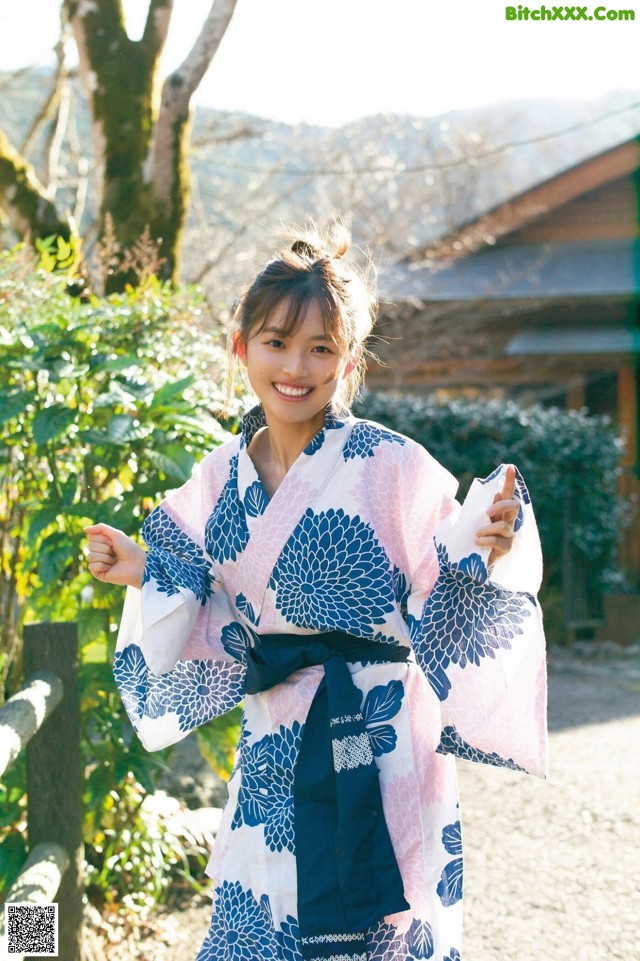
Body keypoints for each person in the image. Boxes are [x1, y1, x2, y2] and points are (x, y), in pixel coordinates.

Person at [85, 224, 547, 961]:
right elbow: (211, 608)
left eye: (322, 348)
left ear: (351, 362)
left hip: (383, 741)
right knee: (262, 927)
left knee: (381, 932)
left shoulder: (395, 465)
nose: (295, 366)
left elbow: (443, 574)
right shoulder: (215, 479)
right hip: (275, 744)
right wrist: (144, 568)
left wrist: (488, 541)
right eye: (276, 341)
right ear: (240, 346)